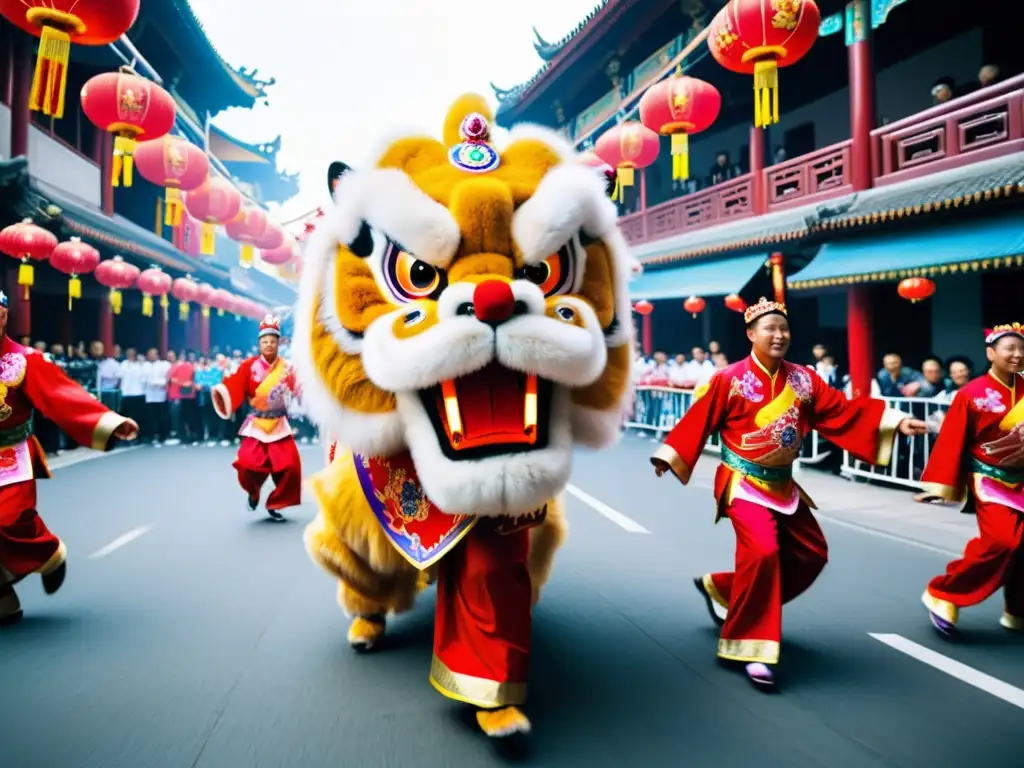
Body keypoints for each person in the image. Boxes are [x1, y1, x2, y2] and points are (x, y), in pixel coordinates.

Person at [651, 297, 926, 688]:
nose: (779, 335)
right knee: (763, 552)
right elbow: (701, 418)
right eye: (769, 328)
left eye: (784, 328)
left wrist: (895, 422)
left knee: (812, 554)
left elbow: (841, 411)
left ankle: (726, 589)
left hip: (783, 483)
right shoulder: (728, 379)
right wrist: (671, 453)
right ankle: (749, 645)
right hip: (742, 481)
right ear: (750, 334)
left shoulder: (805, 380)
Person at [0, 292, 138, 624]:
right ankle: (4, 599)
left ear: (5, 317)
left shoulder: (24, 361)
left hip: (10, 455)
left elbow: (62, 396)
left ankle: (47, 552)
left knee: (8, 519)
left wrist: (108, 421)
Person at [919, 324, 1024, 637]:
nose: (1017, 355)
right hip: (990, 479)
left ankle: (1017, 609)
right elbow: (952, 440)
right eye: (1010, 349)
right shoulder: (971, 394)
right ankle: (944, 593)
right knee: (1002, 542)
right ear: (991, 353)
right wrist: (942, 485)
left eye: (1021, 349)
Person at [211, 316, 301, 520]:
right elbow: (233, 386)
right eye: (265, 341)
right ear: (259, 344)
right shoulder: (248, 366)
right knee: (247, 464)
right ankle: (254, 492)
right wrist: (223, 394)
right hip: (257, 424)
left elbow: (301, 390)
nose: (269, 345)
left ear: (279, 343)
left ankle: (276, 502)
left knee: (290, 467)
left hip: (279, 423)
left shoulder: (288, 369)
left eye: (273, 341)